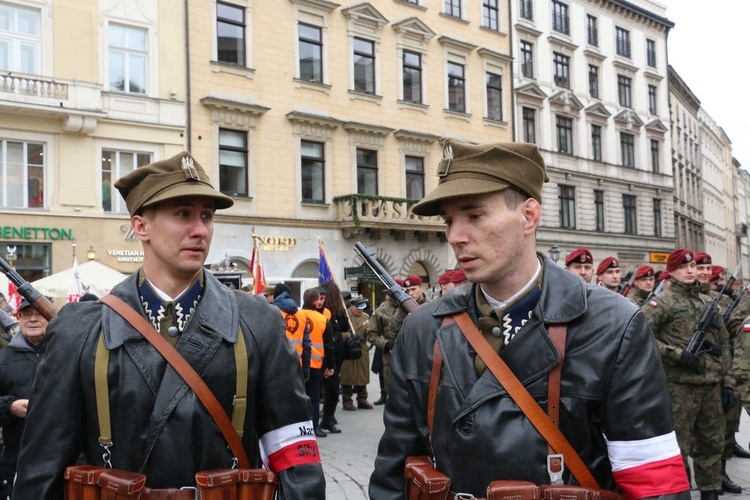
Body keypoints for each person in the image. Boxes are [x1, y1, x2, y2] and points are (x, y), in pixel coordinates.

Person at [369, 139, 689, 499]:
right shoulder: (424, 326)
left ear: (529, 215)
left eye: (474, 216)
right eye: (450, 220)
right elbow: (395, 467)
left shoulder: (613, 324)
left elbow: (652, 480)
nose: (455, 236)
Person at [13, 152, 325, 498]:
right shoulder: (80, 331)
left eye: (206, 216)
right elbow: (42, 468)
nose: (200, 229)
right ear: (141, 226)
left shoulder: (257, 322)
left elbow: (295, 452)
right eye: (183, 214)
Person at [642, 249, 730, 499]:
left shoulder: (706, 302)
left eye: (692, 266)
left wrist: (727, 383)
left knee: (712, 444)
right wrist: (677, 354)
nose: (690, 271)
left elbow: (722, 344)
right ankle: (681, 494)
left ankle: (710, 492)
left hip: (710, 386)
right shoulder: (662, 303)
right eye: (683, 267)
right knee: (679, 446)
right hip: (679, 388)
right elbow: (643, 338)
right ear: (671, 272)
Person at [0, 297, 49, 499]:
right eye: (27, 314)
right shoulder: (3, 357)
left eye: (39, 313)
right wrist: (9, 406)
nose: (32, 319)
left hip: (64, 457)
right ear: (19, 319)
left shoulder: (68, 352)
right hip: (17, 457)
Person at [300, 287, 335, 438]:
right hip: (315, 365)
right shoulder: (322, 320)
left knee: (298, 397)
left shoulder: (296, 316)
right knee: (314, 398)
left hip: (297, 364)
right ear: (316, 302)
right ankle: (313, 428)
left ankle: (299, 428)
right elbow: (329, 345)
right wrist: (331, 366)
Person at [340, 297, 372, 411]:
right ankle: (347, 400)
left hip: (362, 348)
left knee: (362, 375)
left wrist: (369, 331)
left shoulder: (366, 317)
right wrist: (349, 335)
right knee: (347, 375)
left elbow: (370, 335)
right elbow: (338, 333)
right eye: (358, 308)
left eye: (362, 309)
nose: (360, 311)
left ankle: (362, 398)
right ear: (352, 306)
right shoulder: (344, 316)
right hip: (348, 348)